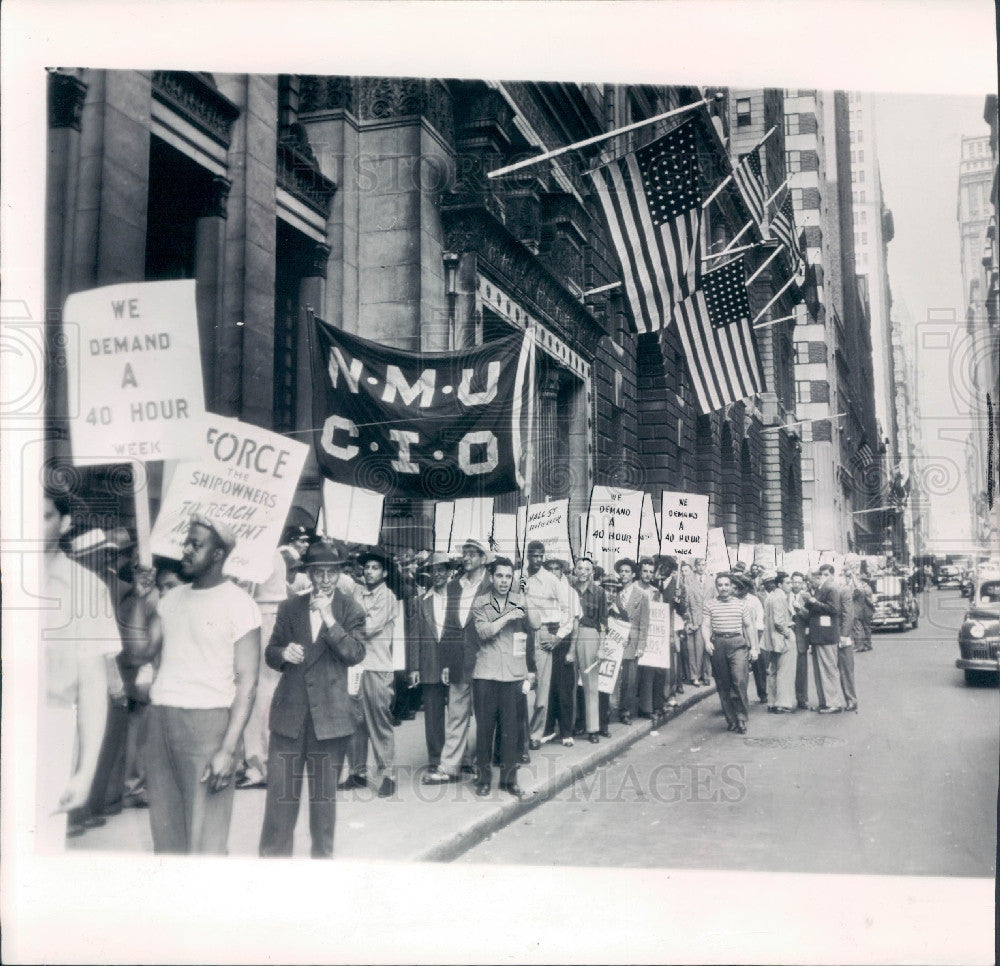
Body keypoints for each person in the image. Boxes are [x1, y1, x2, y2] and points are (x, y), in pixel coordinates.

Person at [127, 515, 261, 854]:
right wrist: (142, 603)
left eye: (196, 544)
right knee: (166, 834)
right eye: (186, 542)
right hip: (161, 722)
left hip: (208, 725)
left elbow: (248, 683)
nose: (185, 549)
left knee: (206, 839)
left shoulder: (240, 604)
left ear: (218, 554)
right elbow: (138, 653)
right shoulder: (171, 600)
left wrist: (228, 750)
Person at [258, 541, 366, 857]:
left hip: (330, 723)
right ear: (309, 574)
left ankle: (321, 866)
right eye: (318, 573)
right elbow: (270, 652)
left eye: (331, 573)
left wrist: (330, 620)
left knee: (322, 804)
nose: (325, 580)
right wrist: (282, 653)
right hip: (289, 718)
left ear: (339, 574)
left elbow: (354, 653)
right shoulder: (290, 607)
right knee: (280, 800)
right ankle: (273, 867)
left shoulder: (351, 610)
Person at [37, 491, 122, 852]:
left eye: (43, 516)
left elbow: (92, 685)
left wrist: (85, 771)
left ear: (65, 522)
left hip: (49, 731)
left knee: (36, 850)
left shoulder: (87, 589)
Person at [471, 557, 537, 798]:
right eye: (499, 576)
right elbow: (484, 631)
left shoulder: (520, 600)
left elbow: (536, 623)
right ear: (491, 577)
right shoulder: (480, 602)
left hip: (513, 675)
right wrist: (507, 616)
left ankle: (509, 780)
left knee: (511, 731)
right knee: (485, 730)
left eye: (508, 577)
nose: (503, 581)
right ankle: (483, 778)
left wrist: (527, 599)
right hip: (486, 675)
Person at [341, 549, 398, 798]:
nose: (369, 571)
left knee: (378, 721)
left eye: (375, 567)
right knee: (354, 720)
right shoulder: (357, 591)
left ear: (384, 572)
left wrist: (348, 624)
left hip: (377, 666)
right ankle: (357, 772)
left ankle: (388, 774)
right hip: (355, 665)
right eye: (366, 567)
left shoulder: (387, 596)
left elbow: (370, 626)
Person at [407, 552, 464, 783]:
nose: (438, 574)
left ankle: (458, 760)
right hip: (430, 664)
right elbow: (413, 638)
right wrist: (414, 668)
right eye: (434, 570)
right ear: (428, 574)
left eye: (442, 569)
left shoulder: (458, 598)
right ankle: (435, 759)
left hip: (455, 662)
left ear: (450, 571)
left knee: (458, 714)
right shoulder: (419, 602)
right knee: (433, 716)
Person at [238, 546, 291, 789]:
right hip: (274, 615)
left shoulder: (259, 552)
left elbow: (244, 590)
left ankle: (258, 765)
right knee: (270, 689)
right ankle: (271, 764)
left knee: (257, 691)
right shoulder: (276, 554)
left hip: (260, 615)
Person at [701, 573, 757, 734]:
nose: (724, 588)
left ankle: (741, 718)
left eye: (727, 585)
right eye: (720, 585)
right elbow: (705, 625)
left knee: (739, 680)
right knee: (723, 683)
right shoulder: (710, 605)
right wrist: (707, 642)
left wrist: (753, 647)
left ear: (731, 586)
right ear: (717, 587)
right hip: (718, 643)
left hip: (737, 644)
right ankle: (731, 719)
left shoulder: (741, 604)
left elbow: (748, 626)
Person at [521, 540, 564, 749]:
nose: (537, 560)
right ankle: (518, 733)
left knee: (541, 690)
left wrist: (558, 636)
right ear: (528, 555)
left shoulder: (551, 580)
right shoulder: (519, 576)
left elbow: (569, 609)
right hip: (519, 633)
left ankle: (535, 735)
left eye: (541, 556)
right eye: (534, 555)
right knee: (519, 686)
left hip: (542, 633)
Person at [542, 557, 581, 746]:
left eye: (557, 569)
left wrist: (571, 649)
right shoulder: (541, 592)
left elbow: (575, 623)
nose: (553, 572)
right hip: (546, 642)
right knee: (547, 689)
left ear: (562, 572)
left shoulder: (571, 593)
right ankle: (547, 730)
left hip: (563, 643)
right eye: (549, 569)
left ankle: (566, 732)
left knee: (564, 690)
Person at [610, 559, 649, 725]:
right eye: (622, 571)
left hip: (632, 642)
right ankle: (610, 709)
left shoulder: (642, 595)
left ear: (634, 574)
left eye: (627, 571)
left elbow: (644, 624)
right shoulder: (614, 592)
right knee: (613, 676)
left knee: (629, 679)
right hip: (615, 640)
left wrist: (641, 646)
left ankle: (625, 711)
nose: (623, 574)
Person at [803, 565, 846, 714]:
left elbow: (834, 609)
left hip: (826, 635)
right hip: (820, 635)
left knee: (828, 669)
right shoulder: (821, 589)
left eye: (810, 580)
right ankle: (825, 701)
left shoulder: (830, 588)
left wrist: (814, 602)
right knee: (820, 669)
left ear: (817, 578)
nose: (809, 583)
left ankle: (833, 703)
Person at [573, 558, 607, 743]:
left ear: (591, 572)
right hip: (570, 635)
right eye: (580, 568)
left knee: (590, 684)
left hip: (589, 635)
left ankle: (593, 728)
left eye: (587, 569)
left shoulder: (599, 592)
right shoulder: (569, 589)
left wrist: (601, 646)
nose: (583, 571)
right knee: (569, 683)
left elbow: (603, 622)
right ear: (575, 570)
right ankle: (571, 726)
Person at [762, 571, 796, 713]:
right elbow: (779, 621)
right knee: (785, 671)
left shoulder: (770, 597)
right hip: (782, 638)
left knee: (773, 671)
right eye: (787, 583)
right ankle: (782, 703)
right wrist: (788, 633)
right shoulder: (780, 597)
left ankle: (772, 701)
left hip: (771, 639)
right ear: (779, 584)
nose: (791, 585)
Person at [635, 557, 664, 719]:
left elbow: (659, 614)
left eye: (650, 572)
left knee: (650, 671)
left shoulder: (655, 592)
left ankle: (648, 707)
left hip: (650, 635)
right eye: (645, 571)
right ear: (640, 571)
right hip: (634, 634)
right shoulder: (632, 589)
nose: (647, 575)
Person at [835, 564, 858, 712]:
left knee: (845, 670)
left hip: (842, 636)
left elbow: (849, 615)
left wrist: (844, 635)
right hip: (829, 636)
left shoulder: (844, 591)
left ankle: (851, 699)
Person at [788, 572, 812, 710]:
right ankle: (787, 700)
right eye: (794, 582)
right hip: (787, 636)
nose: (796, 585)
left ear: (803, 583)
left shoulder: (807, 597)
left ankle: (802, 699)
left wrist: (800, 609)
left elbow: (811, 617)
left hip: (801, 637)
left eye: (799, 582)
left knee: (801, 670)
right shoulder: (785, 596)